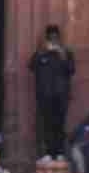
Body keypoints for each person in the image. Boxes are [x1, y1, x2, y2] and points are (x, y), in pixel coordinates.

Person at [29, 24, 76, 162]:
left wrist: (61, 54)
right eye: (50, 37)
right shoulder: (41, 53)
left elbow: (72, 70)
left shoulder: (66, 52)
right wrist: (42, 51)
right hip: (45, 96)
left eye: (55, 37)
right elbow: (31, 66)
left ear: (59, 39)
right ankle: (48, 153)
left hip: (61, 96)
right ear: (47, 38)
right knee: (46, 125)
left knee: (59, 124)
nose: (53, 40)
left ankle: (60, 152)